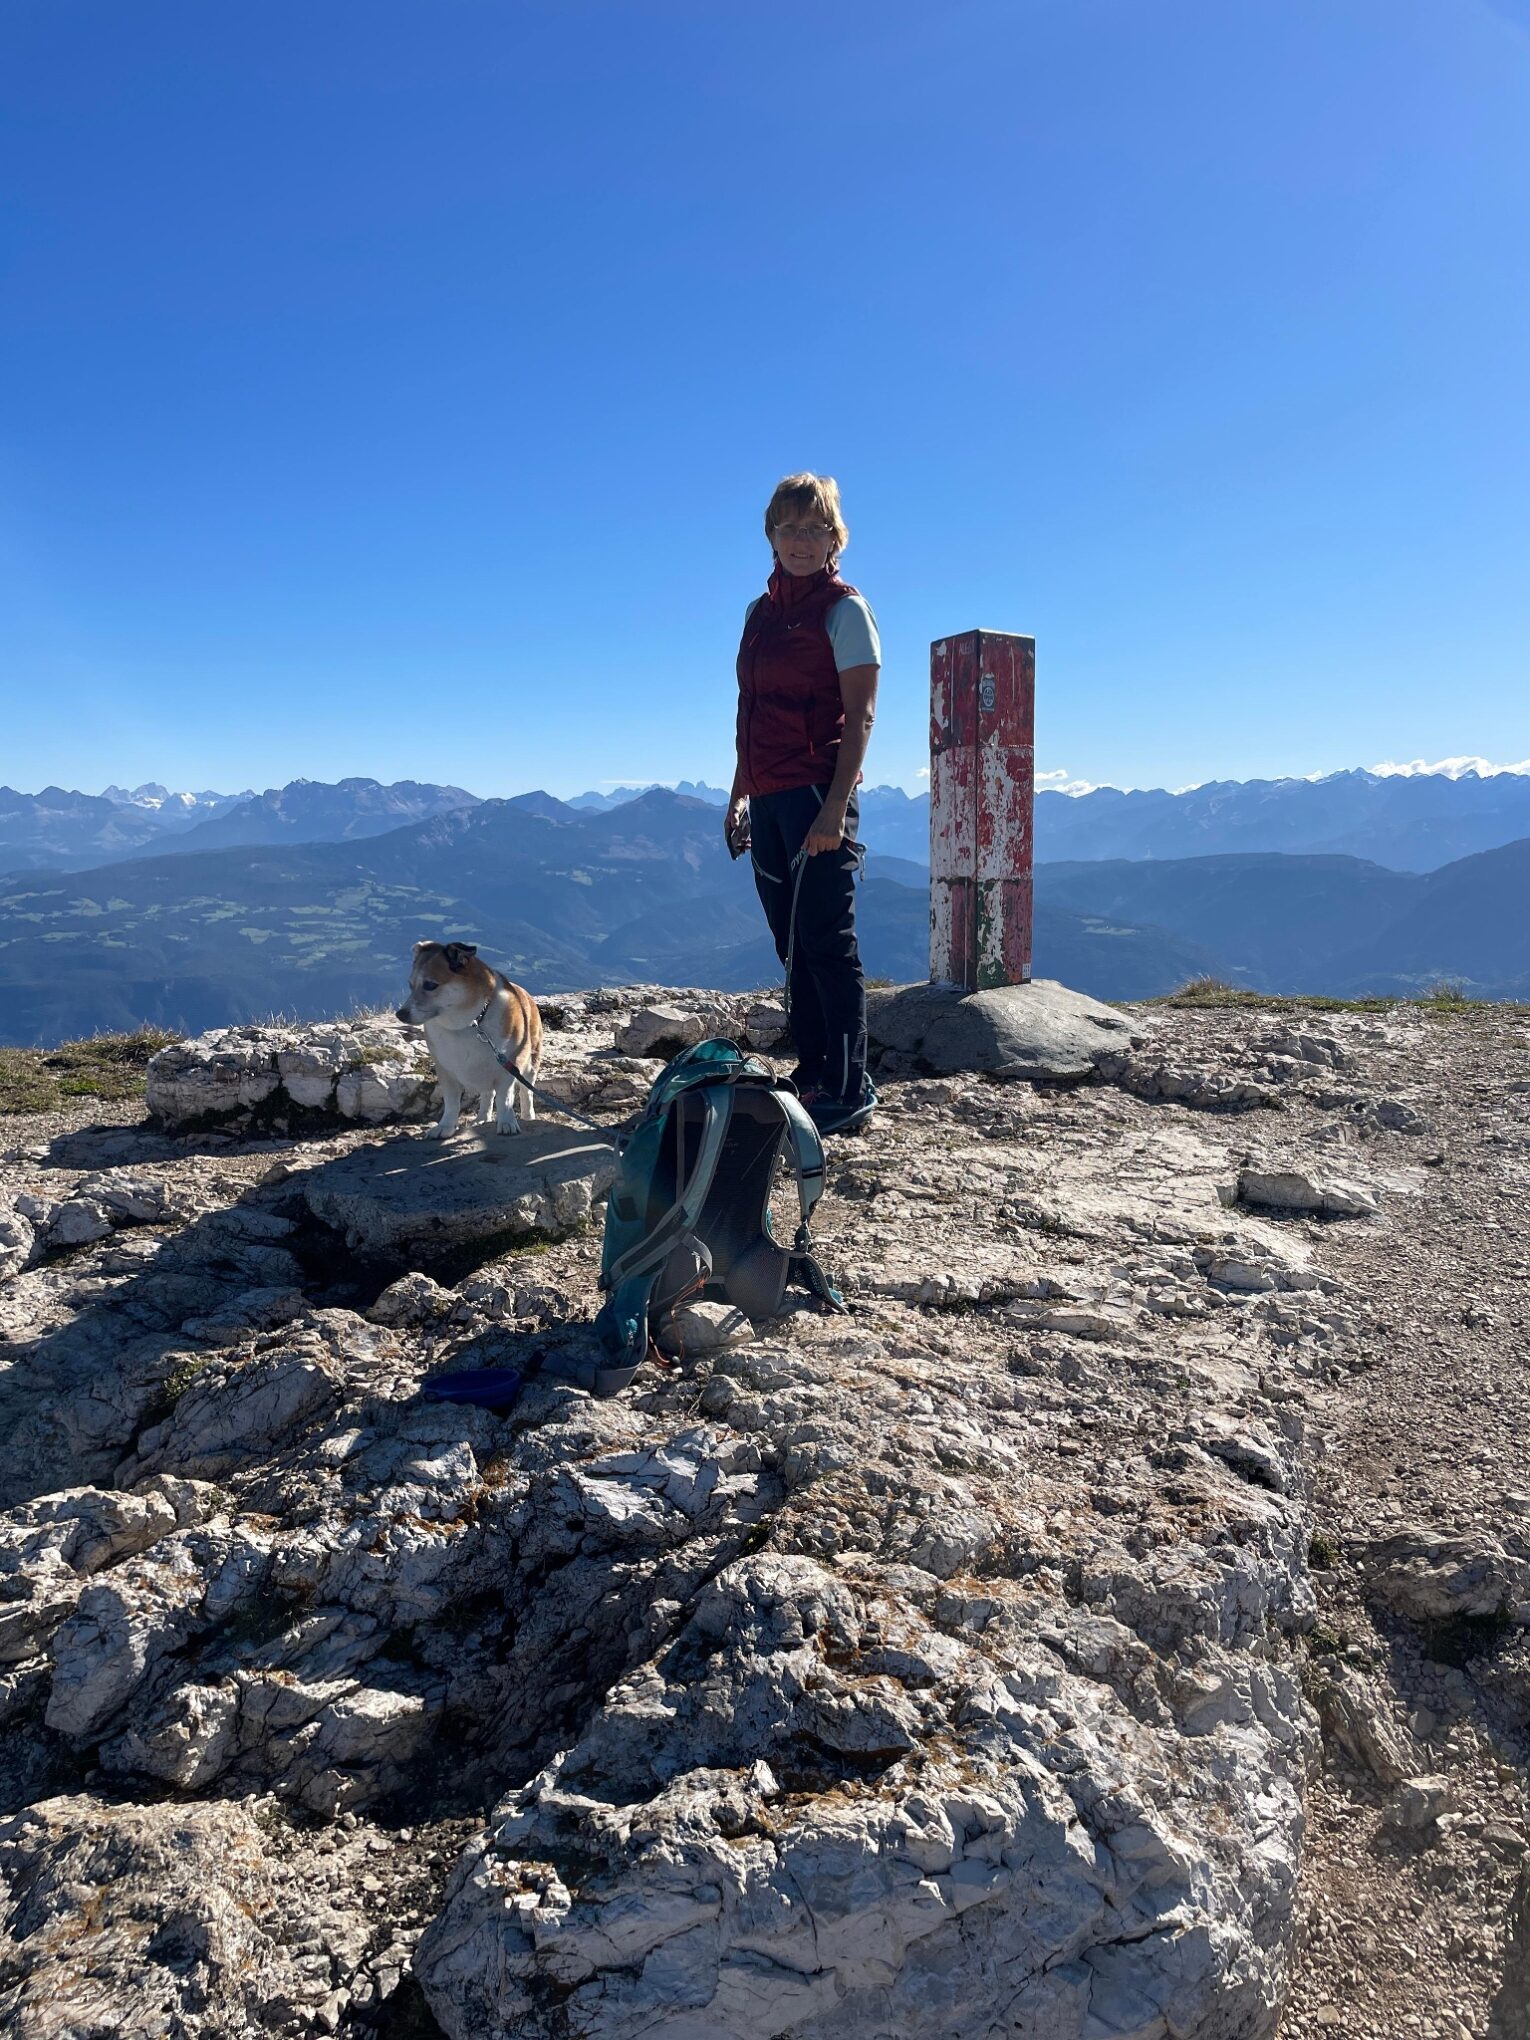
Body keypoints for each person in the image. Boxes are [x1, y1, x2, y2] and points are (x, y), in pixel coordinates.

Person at [727, 473, 880, 1136]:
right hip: (767, 794)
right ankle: (814, 1072)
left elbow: (861, 716)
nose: (799, 539)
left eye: (814, 528)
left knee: (826, 940)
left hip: (818, 793)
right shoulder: (760, 615)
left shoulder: (844, 610)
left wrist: (833, 810)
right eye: (788, 527)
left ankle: (849, 1085)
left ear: (833, 537)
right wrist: (739, 792)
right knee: (792, 944)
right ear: (771, 534)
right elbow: (750, 711)